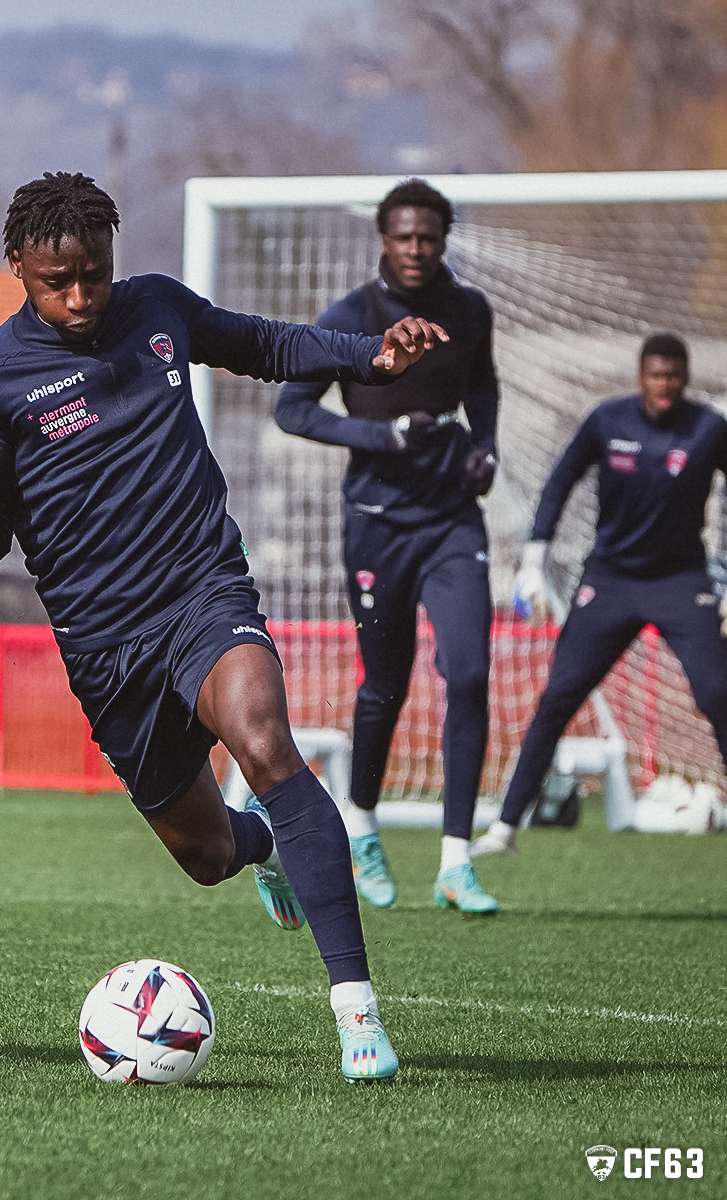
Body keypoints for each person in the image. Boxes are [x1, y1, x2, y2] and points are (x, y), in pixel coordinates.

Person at [0, 172, 445, 1081]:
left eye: (94, 275)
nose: (79, 298)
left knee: (268, 745)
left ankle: (359, 1016)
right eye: (55, 283)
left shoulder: (158, 311)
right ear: (18, 269)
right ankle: (263, 846)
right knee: (207, 852)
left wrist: (368, 356)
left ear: (113, 259)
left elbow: (266, 344)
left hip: (203, 594)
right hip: (105, 647)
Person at [274, 179, 502, 916]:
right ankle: (363, 825)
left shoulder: (468, 311)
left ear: (443, 239)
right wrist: (380, 435)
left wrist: (487, 448)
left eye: (428, 237)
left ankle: (457, 861)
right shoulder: (349, 318)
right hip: (376, 521)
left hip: (453, 523)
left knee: (467, 673)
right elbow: (293, 409)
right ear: (383, 238)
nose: (416, 248)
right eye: (403, 236)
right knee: (385, 687)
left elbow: (485, 386)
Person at [475, 332, 727, 854]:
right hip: (610, 581)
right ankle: (504, 827)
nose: (666, 386)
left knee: (717, 691)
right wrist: (534, 555)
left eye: (674, 376)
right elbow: (562, 478)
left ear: (685, 377)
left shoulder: (708, 428)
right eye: (657, 375)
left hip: (681, 582)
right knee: (558, 698)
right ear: (641, 376)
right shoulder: (608, 420)